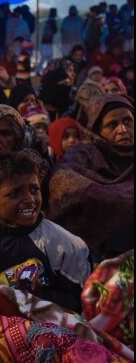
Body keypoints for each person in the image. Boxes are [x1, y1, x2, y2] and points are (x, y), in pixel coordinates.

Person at [0, 152, 90, 313]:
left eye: (34, 190)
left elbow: (83, 305)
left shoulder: (68, 246)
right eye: (15, 193)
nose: (29, 200)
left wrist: (40, 295)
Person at [48, 94, 134, 260]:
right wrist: (111, 195)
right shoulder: (83, 155)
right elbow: (62, 181)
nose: (122, 130)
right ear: (96, 131)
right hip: (93, 256)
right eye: (112, 125)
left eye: (128, 121)